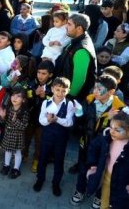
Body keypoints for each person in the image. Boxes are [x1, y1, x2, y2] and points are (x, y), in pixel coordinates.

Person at [69, 75, 125, 208]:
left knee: (103, 171)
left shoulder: (119, 109)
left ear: (111, 91)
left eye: (100, 89)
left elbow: (119, 132)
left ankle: (99, 195)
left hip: (105, 148)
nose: (95, 91)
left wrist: (112, 120)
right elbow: (81, 123)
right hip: (87, 142)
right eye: (94, 87)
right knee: (83, 168)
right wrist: (78, 113)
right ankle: (80, 190)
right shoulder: (89, 101)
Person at [33, 77, 75, 197]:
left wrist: (57, 119)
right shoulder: (46, 103)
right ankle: (40, 179)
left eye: (63, 90)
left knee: (59, 161)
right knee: (42, 159)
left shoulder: (69, 104)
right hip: (47, 136)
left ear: (68, 90)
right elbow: (41, 120)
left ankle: (56, 183)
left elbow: (69, 122)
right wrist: (47, 120)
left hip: (61, 138)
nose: (60, 93)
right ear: (52, 89)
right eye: (57, 90)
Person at [83, 112, 129, 208]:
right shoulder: (107, 138)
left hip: (122, 182)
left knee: (117, 203)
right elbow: (93, 147)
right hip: (107, 176)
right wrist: (93, 166)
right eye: (111, 127)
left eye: (117, 130)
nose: (112, 131)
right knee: (104, 200)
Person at [55, 13, 96, 102]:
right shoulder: (77, 40)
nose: (66, 26)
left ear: (79, 28)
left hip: (71, 98)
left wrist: (68, 98)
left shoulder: (81, 49)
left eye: (69, 24)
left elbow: (79, 80)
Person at [0, 86, 29, 179]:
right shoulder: (9, 108)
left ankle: (16, 169)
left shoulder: (24, 112)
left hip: (17, 136)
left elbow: (24, 126)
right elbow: (3, 122)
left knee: (17, 152)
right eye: (13, 95)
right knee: (7, 150)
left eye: (18, 96)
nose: (14, 98)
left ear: (23, 100)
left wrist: (15, 120)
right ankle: (6, 165)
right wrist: (3, 117)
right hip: (8, 134)